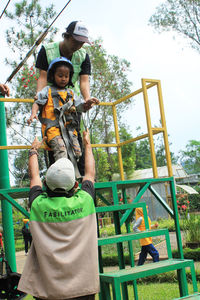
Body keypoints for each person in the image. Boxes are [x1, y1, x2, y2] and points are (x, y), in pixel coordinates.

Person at [18, 129, 99, 300]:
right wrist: (87, 143)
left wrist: (33, 151)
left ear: (46, 183)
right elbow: (90, 174)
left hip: (48, 292)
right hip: (83, 290)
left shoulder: (38, 205)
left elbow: (34, 178)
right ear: (76, 185)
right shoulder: (84, 201)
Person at [28, 57, 97, 178]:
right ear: (52, 76)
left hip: (70, 131)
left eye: (66, 76)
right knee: (61, 152)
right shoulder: (47, 91)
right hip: (53, 131)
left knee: (77, 153)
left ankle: (74, 178)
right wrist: (33, 113)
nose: (63, 78)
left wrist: (88, 103)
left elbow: (80, 106)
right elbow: (37, 102)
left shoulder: (71, 93)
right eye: (60, 75)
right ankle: (63, 179)